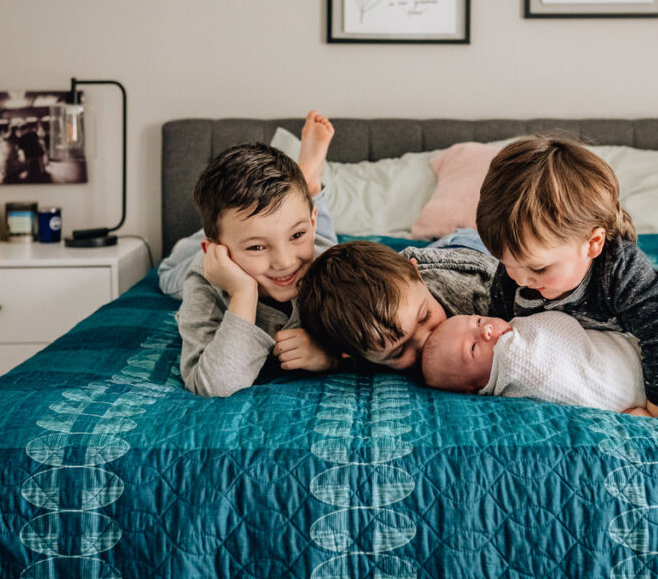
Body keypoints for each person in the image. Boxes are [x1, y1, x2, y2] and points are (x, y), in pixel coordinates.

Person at [476, 135, 658, 418]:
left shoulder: (620, 271)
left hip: (636, 309)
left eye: (538, 269)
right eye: (506, 263)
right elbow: (502, 329)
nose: (520, 279)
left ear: (592, 244)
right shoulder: (514, 276)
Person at [176, 110, 337, 397]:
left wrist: (332, 356)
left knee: (323, 243)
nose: (285, 261)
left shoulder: (333, 266)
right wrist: (243, 294)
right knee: (167, 275)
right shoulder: (204, 280)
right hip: (195, 260)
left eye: (298, 234)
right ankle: (305, 193)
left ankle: (309, 184)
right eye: (257, 247)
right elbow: (214, 386)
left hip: (319, 248)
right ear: (216, 251)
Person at [420, 303, 658, 415]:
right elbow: (567, 380)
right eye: (474, 349)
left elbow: (565, 328)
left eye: (478, 322)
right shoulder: (514, 366)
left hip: (636, 342)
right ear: (471, 389)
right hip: (634, 379)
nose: (488, 333)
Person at [297, 237, 497, 371]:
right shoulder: (368, 345)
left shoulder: (476, 296)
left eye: (425, 316)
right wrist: (332, 360)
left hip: (467, 247)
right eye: (400, 351)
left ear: (418, 276)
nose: (426, 340)